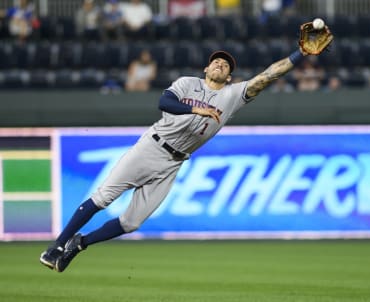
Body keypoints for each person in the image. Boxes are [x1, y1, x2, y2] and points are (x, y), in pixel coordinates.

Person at [39, 25, 330, 273]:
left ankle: (81, 243)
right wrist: (198, 109)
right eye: (216, 61)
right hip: (150, 148)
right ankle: (55, 246)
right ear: (206, 68)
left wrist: (299, 55)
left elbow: (267, 76)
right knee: (102, 198)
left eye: (225, 64)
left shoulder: (231, 96)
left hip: (173, 163)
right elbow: (164, 103)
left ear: (229, 77)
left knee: (132, 222)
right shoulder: (187, 83)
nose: (219, 64)